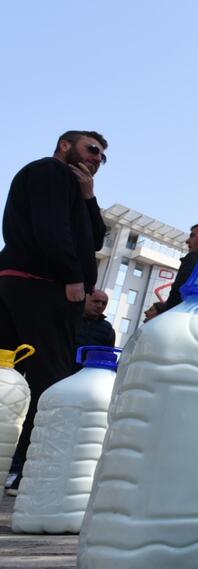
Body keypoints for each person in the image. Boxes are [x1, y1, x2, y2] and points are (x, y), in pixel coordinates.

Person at [0, 130, 108, 495]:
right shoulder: (50, 171)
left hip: (26, 281)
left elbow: (94, 239)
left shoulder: (74, 189)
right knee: (51, 377)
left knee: (9, 374)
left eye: (101, 157)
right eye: (91, 150)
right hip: (42, 284)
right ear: (66, 145)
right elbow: (51, 229)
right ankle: (32, 470)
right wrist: (73, 276)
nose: (96, 159)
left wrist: (88, 196)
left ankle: (15, 467)